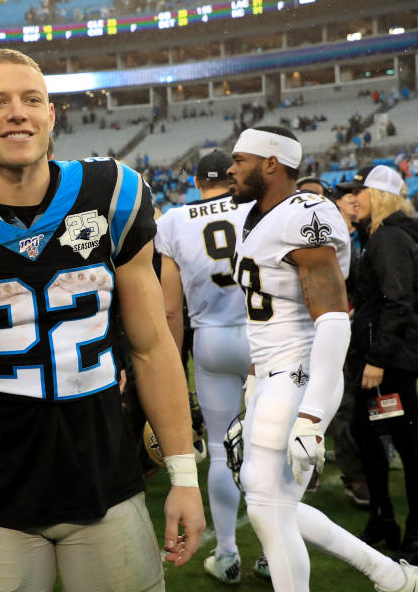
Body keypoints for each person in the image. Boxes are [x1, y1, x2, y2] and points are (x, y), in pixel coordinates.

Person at [0, 48, 205, 592]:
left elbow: (154, 346)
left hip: (105, 480)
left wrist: (184, 476)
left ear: (51, 114)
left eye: (30, 99)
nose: (17, 112)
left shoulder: (112, 193)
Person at [227, 126, 418, 592]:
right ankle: (391, 576)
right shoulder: (257, 215)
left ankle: (389, 576)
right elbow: (264, 319)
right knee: (270, 504)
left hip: (301, 372)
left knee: (268, 507)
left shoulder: (305, 215)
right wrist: (253, 385)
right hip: (273, 373)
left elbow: (333, 319)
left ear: (272, 163)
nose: (230, 168)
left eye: (240, 159)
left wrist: (311, 416)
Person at [156, 150, 253, 583]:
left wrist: (173, 365)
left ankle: (228, 553)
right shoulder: (255, 207)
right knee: (274, 444)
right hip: (262, 336)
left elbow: (171, 311)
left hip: (210, 339)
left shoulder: (172, 221)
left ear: (196, 183)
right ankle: (276, 550)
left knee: (219, 450)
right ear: (232, 179)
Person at [339, 165, 418, 563]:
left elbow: (398, 302)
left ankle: (410, 532)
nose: (356, 198)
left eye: (362, 191)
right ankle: (383, 517)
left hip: (389, 360)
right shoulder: (383, 235)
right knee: (367, 432)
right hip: (387, 355)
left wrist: (377, 359)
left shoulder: (387, 238)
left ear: (380, 195)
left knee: (403, 440)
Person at [330, 183, 371, 508]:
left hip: (359, 331)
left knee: (359, 400)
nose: (355, 201)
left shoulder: (365, 232)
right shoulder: (329, 234)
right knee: (342, 404)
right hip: (335, 330)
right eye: (349, 196)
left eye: (358, 195)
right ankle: (355, 476)